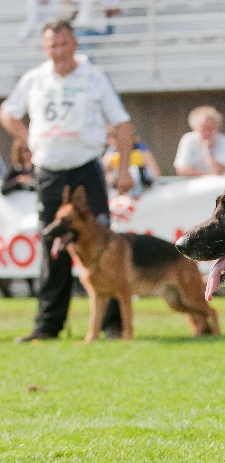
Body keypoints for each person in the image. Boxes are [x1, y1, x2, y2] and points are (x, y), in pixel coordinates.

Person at [0, 19, 133, 343]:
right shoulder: (34, 79)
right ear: (46, 49)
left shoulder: (94, 77)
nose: (59, 52)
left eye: (64, 44)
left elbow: (122, 122)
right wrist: (27, 137)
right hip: (48, 172)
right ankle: (47, 326)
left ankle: (113, 326)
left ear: (74, 44)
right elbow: (8, 112)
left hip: (86, 169)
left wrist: (125, 169)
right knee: (53, 248)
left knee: (105, 247)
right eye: (52, 46)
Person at [173, 106, 225, 177]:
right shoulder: (188, 140)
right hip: (194, 185)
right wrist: (209, 175)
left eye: (210, 129)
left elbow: (220, 170)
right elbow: (181, 170)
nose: (207, 133)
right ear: (195, 128)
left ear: (217, 127)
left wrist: (207, 151)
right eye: (203, 129)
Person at [103, 125, 161, 195]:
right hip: (120, 191)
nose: (108, 142)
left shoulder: (140, 149)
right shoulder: (111, 151)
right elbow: (104, 170)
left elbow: (155, 172)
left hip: (142, 188)